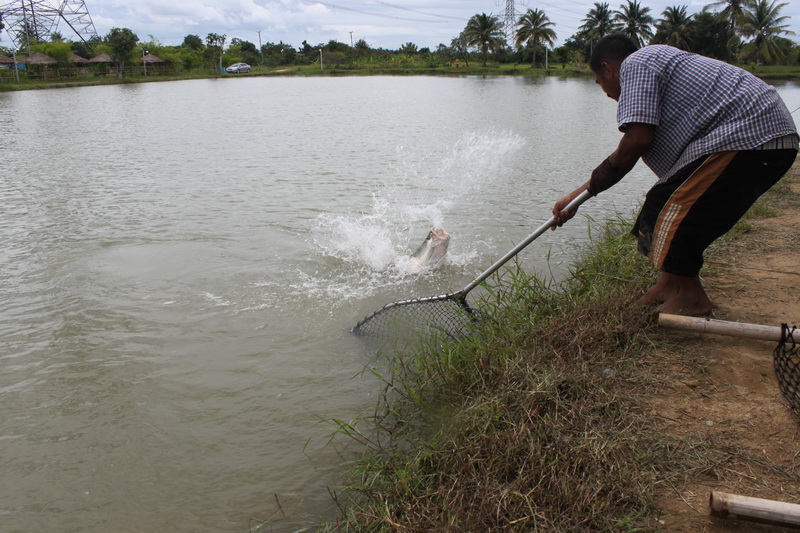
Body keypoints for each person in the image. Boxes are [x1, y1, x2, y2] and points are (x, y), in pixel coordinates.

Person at [553, 34, 798, 316]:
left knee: (667, 208)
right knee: (662, 201)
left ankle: (693, 299)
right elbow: (636, 148)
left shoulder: (637, 63)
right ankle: (669, 285)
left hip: (751, 137)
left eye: (599, 82)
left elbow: (636, 140)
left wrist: (584, 192)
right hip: (753, 138)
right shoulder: (657, 68)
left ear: (609, 68)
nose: (606, 92)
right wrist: (577, 198)